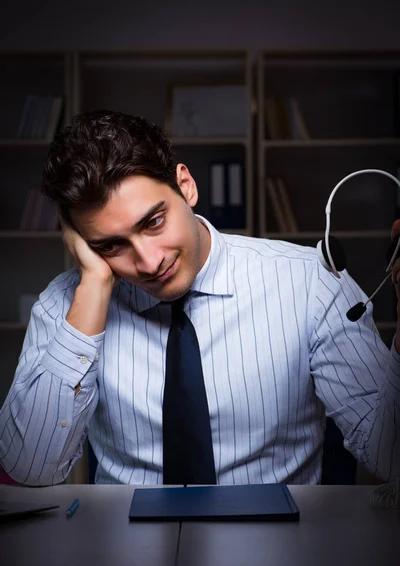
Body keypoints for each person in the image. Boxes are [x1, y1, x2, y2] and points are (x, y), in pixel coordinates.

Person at [0, 110, 399, 487]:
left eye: (154, 222)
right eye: (111, 245)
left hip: (278, 547)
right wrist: (93, 286)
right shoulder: (66, 304)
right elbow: (31, 468)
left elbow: (390, 457)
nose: (149, 261)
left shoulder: (313, 282)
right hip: (123, 551)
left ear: (186, 186)